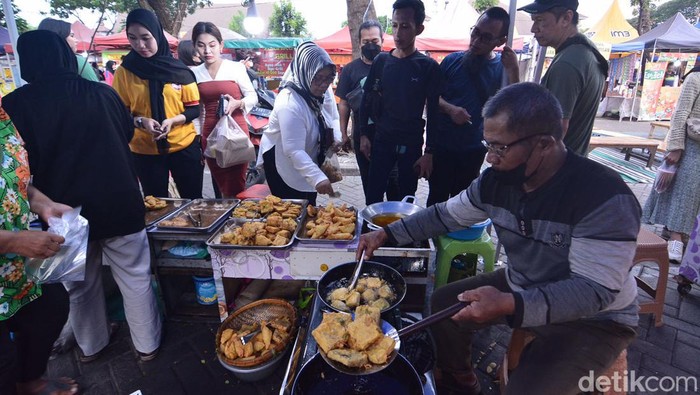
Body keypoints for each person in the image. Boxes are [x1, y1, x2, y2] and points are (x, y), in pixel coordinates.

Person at [357, 83, 640, 395]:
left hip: (595, 319)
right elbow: (443, 216)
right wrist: (386, 234)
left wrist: (507, 302)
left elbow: (592, 291)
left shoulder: (602, 197)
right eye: (487, 145)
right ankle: (461, 379)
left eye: (500, 148)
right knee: (443, 303)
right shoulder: (495, 182)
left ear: (544, 144)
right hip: (522, 283)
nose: (490, 158)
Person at [3, 30, 162, 363]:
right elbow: (127, 132)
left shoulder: (14, 105)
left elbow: (19, 160)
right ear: (66, 56)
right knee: (134, 276)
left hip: (62, 211)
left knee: (80, 285)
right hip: (118, 200)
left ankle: (92, 347)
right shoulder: (101, 93)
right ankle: (147, 347)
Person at [0, 99, 78, 395]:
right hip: (12, 248)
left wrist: (42, 203)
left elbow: (12, 178)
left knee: (50, 306)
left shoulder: (3, 119)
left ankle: (29, 381)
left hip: (12, 267)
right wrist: (16, 241)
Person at [427, 6, 519, 206]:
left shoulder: (502, 70)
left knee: (463, 206)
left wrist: (513, 71)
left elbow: (513, 107)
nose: (476, 41)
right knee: (436, 203)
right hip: (443, 148)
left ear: (500, 41)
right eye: (475, 32)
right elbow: (432, 99)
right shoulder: (452, 61)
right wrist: (451, 110)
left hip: (473, 151)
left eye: (486, 37)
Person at [112, 8, 203, 199]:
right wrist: (141, 121)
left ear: (157, 35)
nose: (140, 44)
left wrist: (173, 121)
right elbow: (120, 113)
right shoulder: (125, 72)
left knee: (193, 201)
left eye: (146, 37)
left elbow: (194, 109)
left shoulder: (179, 70)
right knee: (156, 205)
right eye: (133, 38)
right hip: (144, 150)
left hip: (183, 145)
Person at [358, 0, 443, 205]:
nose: (397, 33)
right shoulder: (381, 62)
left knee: (406, 198)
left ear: (419, 28)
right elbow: (367, 100)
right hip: (382, 140)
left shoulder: (428, 67)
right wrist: (363, 135)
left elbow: (434, 113)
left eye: (405, 26)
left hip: (411, 144)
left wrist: (429, 153)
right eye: (394, 25)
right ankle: (372, 236)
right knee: (373, 196)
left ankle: (401, 237)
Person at [519, 0, 608, 156]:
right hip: (572, 164)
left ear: (566, 18)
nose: (534, 29)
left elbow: (557, 130)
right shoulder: (586, 52)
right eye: (534, 21)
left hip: (555, 168)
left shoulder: (568, 63)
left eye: (540, 20)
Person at [258, 41, 340, 205]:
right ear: (306, 72)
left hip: (307, 153)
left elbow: (333, 115)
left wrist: (336, 137)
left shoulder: (321, 86)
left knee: (309, 202)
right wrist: (318, 178)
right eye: (318, 79)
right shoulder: (289, 103)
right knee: (290, 209)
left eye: (328, 79)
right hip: (283, 160)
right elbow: (293, 150)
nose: (324, 84)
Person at [335, 20, 400, 204]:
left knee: (394, 186)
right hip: (363, 138)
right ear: (359, 43)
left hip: (391, 137)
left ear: (382, 39)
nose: (370, 45)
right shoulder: (350, 70)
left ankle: (392, 228)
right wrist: (343, 132)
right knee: (371, 188)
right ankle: (373, 225)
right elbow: (344, 103)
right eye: (365, 42)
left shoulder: (393, 64)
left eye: (374, 40)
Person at [192, 22, 258, 198]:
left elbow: (253, 97)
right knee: (221, 186)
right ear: (195, 47)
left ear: (220, 46)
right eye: (201, 45)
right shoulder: (194, 73)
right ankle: (227, 221)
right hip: (210, 135)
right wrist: (198, 138)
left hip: (236, 133)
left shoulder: (235, 68)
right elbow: (197, 111)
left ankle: (237, 221)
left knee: (236, 186)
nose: (207, 50)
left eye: (212, 45)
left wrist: (238, 103)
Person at [642, 65, 700, 263]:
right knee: (686, 191)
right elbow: (680, 113)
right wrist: (675, 146)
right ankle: (675, 237)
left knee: (693, 195)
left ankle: (684, 237)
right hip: (691, 145)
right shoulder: (695, 79)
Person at [37, 18, 99, 82]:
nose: (76, 40)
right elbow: (97, 89)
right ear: (59, 38)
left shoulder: (34, 63)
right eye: (72, 36)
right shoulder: (77, 61)